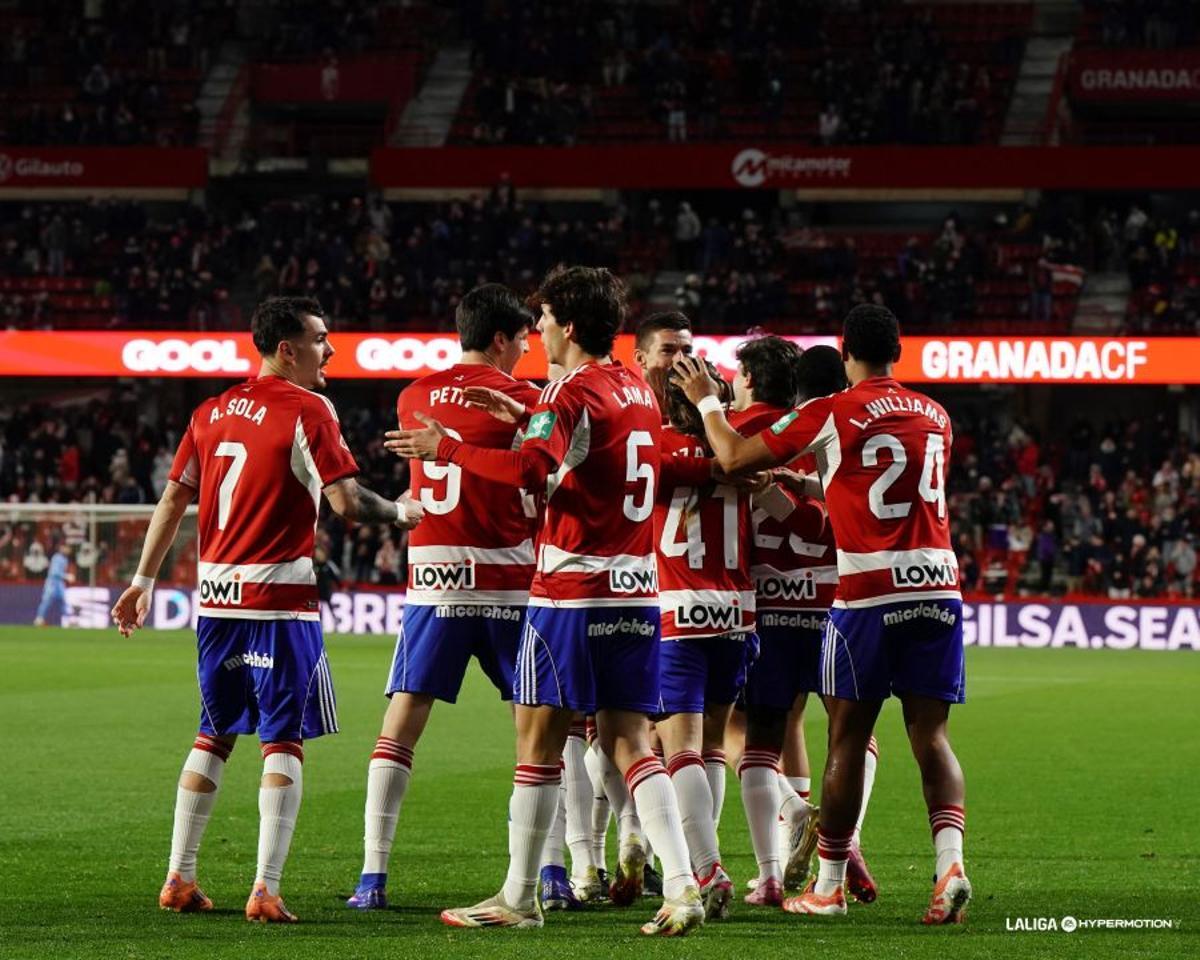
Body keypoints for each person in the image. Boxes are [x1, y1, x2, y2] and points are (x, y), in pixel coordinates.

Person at [389, 266, 704, 936]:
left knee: (536, 743)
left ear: (567, 321)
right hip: (637, 592)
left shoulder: (571, 392)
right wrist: (530, 415)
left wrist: (448, 445)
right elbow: (584, 455)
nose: (537, 329)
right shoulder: (634, 390)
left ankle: (517, 897)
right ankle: (681, 885)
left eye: (545, 318)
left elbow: (530, 471)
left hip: (570, 596)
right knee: (627, 742)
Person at [111, 297, 423, 924]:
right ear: (288, 348)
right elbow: (345, 502)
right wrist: (401, 511)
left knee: (214, 731)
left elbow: (173, 501)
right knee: (283, 741)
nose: (330, 349)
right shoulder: (309, 408)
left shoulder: (210, 411)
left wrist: (142, 579)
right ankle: (266, 887)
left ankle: (179, 875)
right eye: (321, 339)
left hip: (217, 604)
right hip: (279, 606)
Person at [673, 304, 971, 925]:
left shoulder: (832, 410)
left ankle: (829, 882)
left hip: (868, 596)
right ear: (898, 349)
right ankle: (951, 866)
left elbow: (728, 457)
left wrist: (706, 401)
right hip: (940, 586)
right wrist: (807, 487)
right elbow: (878, 487)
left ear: (845, 350)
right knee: (931, 736)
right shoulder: (936, 415)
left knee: (845, 736)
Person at [347, 283, 544, 911]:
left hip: (435, 576)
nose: (525, 351)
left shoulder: (414, 395)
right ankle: (553, 871)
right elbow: (537, 475)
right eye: (520, 340)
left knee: (402, 722)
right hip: (512, 578)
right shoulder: (528, 400)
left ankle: (372, 876)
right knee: (540, 729)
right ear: (498, 339)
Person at [650, 362, 749, 921]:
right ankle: (705, 857)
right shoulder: (738, 448)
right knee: (712, 746)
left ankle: (707, 866)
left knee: (679, 748)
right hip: (737, 614)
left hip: (679, 611)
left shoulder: (658, 447)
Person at [33, 541, 73, 626]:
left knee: (63, 602)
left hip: (59, 583)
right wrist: (66, 576)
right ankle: (39, 618)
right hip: (52, 583)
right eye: (66, 548)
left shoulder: (65, 559)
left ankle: (68, 620)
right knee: (47, 600)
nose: (68, 550)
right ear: (62, 548)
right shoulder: (57, 557)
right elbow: (54, 572)